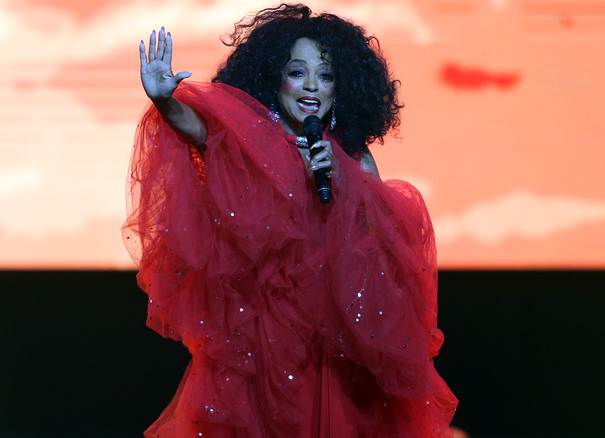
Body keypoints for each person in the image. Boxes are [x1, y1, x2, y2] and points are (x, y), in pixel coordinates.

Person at [122, 4, 458, 437]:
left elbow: (387, 247)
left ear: (344, 86)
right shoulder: (250, 141)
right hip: (262, 348)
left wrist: (346, 183)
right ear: (272, 77)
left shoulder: (353, 156)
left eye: (327, 75)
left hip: (337, 352)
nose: (312, 86)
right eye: (298, 72)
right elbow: (199, 131)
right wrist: (165, 100)